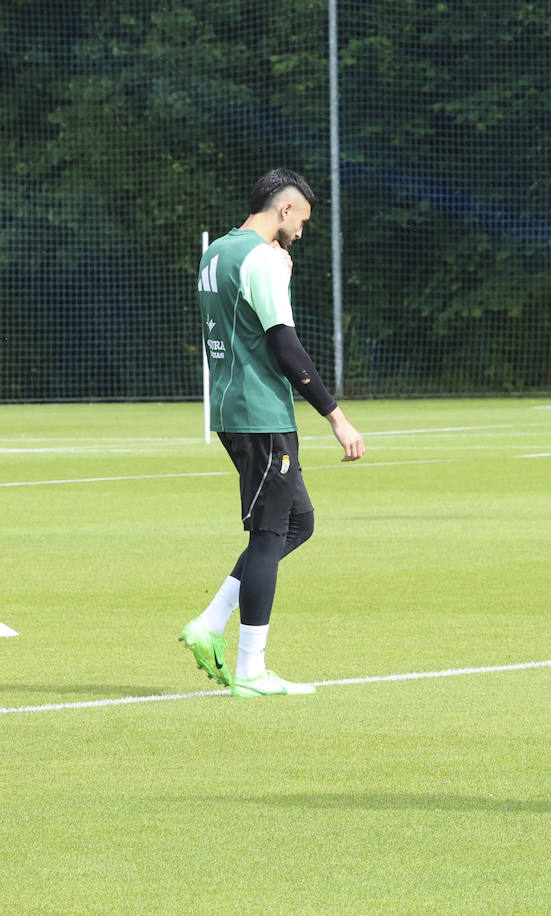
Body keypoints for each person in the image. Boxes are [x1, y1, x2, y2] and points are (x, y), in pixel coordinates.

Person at [179, 168, 366, 697]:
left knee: (297, 523)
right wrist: (336, 415)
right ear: (283, 210)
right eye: (302, 221)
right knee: (268, 537)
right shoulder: (262, 258)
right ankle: (250, 671)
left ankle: (209, 625)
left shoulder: (217, 251)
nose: (302, 233)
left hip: (235, 409)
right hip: (260, 415)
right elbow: (286, 348)